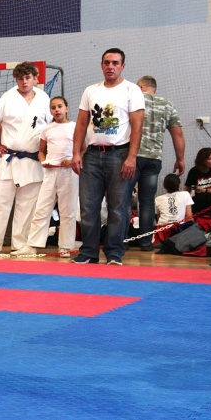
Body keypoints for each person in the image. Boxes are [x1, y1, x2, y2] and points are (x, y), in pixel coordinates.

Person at [70, 48, 145, 265]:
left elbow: (137, 126)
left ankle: (114, 252)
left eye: (115, 63)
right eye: (106, 62)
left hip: (119, 154)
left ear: (123, 66)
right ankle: (88, 252)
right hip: (92, 155)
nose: (110, 66)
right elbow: (81, 124)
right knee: (88, 206)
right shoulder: (90, 91)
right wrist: (76, 153)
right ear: (101, 65)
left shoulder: (132, 90)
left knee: (118, 206)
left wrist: (132, 157)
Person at [0, 61, 52, 255]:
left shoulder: (44, 99)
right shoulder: (7, 98)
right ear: (16, 80)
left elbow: (51, 127)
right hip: (10, 158)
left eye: (28, 78)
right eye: (20, 78)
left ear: (35, 79)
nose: (24, 82)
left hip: (33, 159)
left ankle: (21, 244)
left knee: (28, 205)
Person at [12, 96, 79, 257]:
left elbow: (82, 149)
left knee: (67, 210)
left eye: (60, 106)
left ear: (67, 108)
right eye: (53, 107)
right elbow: (41, 151)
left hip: (69, 173)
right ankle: (32, 245)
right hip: (50, 173)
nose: (57, 110)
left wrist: (72, 160)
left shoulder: (75, 127)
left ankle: (65, 246)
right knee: (42, 208)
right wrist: (43, 162)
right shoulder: (47, 129)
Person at [129, 75, 186, 251]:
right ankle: (146, 243)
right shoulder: (167, 105)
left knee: (123, 199)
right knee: (147, 201)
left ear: (140, 87)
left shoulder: (133, 99)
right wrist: (180, 159)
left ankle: (122, 241)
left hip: (132, 157)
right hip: (154, 159)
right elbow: (177, 134)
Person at [184, 147, 211, 216]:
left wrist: (204, 190)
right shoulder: (194, 171)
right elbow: (186, 190)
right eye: (210, 158)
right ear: (203, 161)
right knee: (196, 200)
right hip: (200, 200)